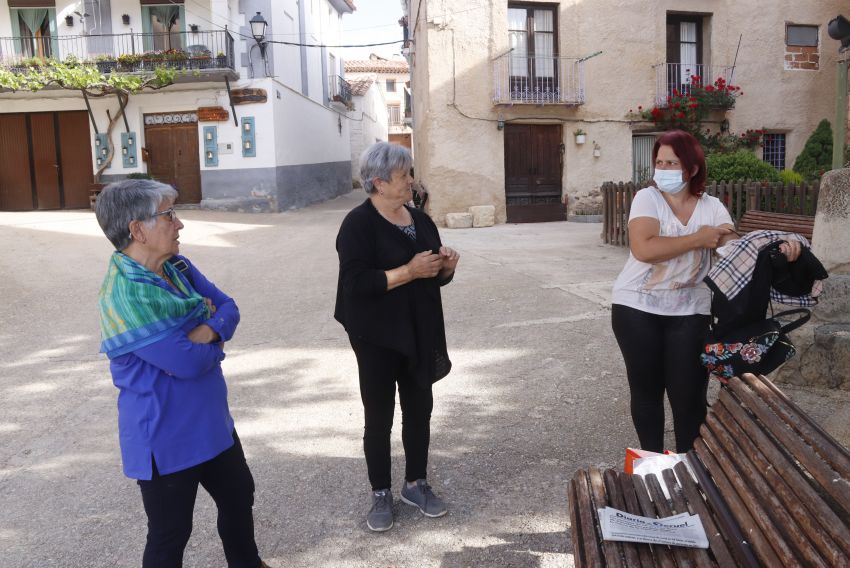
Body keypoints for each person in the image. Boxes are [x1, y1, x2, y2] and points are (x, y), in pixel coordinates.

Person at [95, 180, 268, 568]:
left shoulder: (178, 268)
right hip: (164, 438)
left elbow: (229, 307)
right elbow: (187, 363)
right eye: (168, 215)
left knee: (239, 499)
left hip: (211, 424)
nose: (179, 224)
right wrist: (212, 330)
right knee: (170, 534)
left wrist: (206, 330)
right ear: (137, 229)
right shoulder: (123, 297)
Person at [609, 129, 803, 453]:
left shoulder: (712, 208)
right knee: (646, 394)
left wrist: (776, 247)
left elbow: (732, 246)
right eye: (659, 161)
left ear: (692, 168)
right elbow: (644, 248)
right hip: (636, 308)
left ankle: (691, 468)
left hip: (690, 311)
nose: (663, 169)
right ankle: (651, 468)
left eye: (672, 162)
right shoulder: (648, 198)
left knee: (689, 398)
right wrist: (700, 238)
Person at [334, 142, 460, 532]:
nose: (411, 181)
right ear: (378, 183)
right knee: (379, 415)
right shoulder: (358, 224)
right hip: (376, 334)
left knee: (420, 408)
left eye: (409, 173)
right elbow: (355, 284)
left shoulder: (420, 219)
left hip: (418, 329)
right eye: (404, 175)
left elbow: (434, 277)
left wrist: (445, 268)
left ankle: (416, 484)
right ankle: (380, 493)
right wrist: (408, 270)